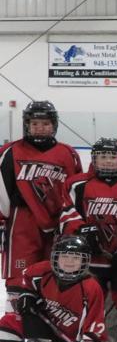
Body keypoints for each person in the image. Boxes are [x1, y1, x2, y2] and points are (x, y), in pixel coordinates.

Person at [60, 138, 117, 329]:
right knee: (91, 303)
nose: (108, 161)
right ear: (94, 159)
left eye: (113, 157)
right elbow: (66, 213)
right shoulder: (76, 184)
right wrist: (82, 232)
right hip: (90, 259)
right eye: (103, 156)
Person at [0, 234, 110, 342]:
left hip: (73, 338)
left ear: (84, 261)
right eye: (64, 256)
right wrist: (27, 295)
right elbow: (25, 277)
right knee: (9, 322)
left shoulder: (91, 287)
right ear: (55, 258)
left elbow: (95, 322)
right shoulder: (44, 271)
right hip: (48, 326)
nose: (69, 262)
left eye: (75, 258)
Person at [0, 101, 83, 292]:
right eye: (35, 124)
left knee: (56, 271)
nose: (40, 128)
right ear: (26, 125)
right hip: (21, 221)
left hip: (58, 221)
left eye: (45, 124)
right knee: (20, 274)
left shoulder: (68, 153)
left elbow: (77, 190)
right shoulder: (9, 152)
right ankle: (16, 318)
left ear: (54, 125)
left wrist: (75, 222)